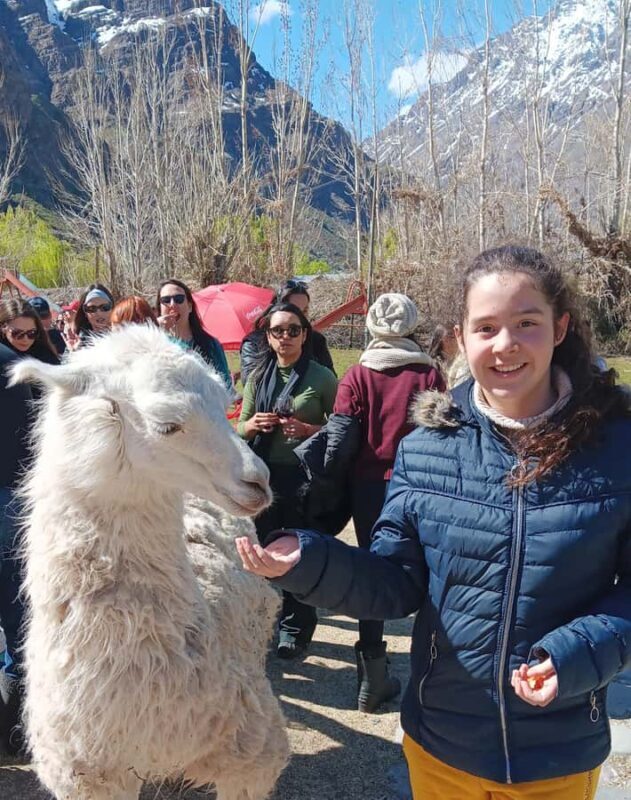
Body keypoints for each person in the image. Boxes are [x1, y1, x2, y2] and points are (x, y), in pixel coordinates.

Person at [236, 244, 631, 799]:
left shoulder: (617, 447)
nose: (506, 344)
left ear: (561, 327)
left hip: (557, 751)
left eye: (527, 323)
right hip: (442, 747)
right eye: (486, 327)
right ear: (460, 337)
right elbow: (396, 583)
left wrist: (578, 655)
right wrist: (311, 560)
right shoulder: (426, 450)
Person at [332, 294, 445, 713]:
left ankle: (372, 677)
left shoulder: (356, 377)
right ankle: (434, 670)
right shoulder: (429, 377)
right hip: (420, 483)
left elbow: (342, 438)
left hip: (368, 488)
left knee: (373, 573)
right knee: (433, 570)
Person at [237, 302, 337, 659]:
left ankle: (296, 628)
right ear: (268, 337)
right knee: (259, 551)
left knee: (297, 555)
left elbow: (341, 427)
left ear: (305, 334)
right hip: (262, 477)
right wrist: (251, 426)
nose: (286, 337)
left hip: (301, 478)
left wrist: (310, 429)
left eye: (293, 330)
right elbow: (238, 426)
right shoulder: (257, 377)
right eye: (278, 331)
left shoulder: (321, 377)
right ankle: (262, 621)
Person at [0, 339, 33, 755]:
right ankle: (18, 727)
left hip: (8, 499)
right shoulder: (12, 362)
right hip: (12, 496)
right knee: (19, 610)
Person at [240, 279, 335, 385]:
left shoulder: (316, 340)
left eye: (305, 311)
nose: (301, 317)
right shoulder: (254, 342)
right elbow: (250, 384)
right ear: (279, 308)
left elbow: (330, 381)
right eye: (294, 310)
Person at [156, 278, 232, 390]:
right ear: (159, 308)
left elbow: (226, 386)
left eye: (179, 299)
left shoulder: (211, 344)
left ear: (190, 306)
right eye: (166, 300)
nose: (172, 304)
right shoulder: (153, 344)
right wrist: (156, 331)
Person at [0, 298, 60, 365]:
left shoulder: (45, 354)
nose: (25, 339)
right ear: (3, 327)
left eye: (32, 333)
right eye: (17, 333)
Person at [72, 284, 114, 349]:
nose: (99, 313)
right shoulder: (78, 341)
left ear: (112, 308)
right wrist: (74, 352)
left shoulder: (124, 335)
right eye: (92, 309)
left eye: (105, 307)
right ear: (85, 313)